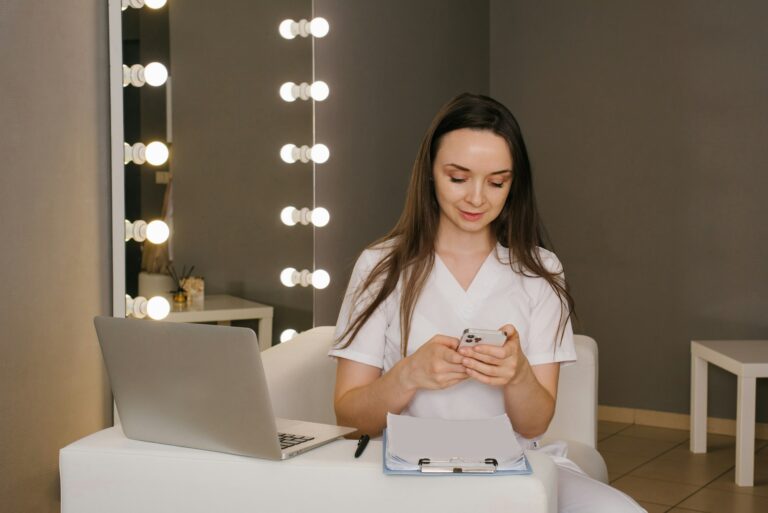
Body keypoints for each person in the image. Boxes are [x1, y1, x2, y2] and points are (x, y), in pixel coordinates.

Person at [328, 93, 645, 513]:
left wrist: (518, 376)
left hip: (516, 468)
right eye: (458, 178)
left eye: (497, 182)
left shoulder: (540, 271)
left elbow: (534, 423)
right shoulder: (381, 266)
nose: (478, 198)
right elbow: (350, 422)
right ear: (429, 175)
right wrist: (408, 375)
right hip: (408, 473)